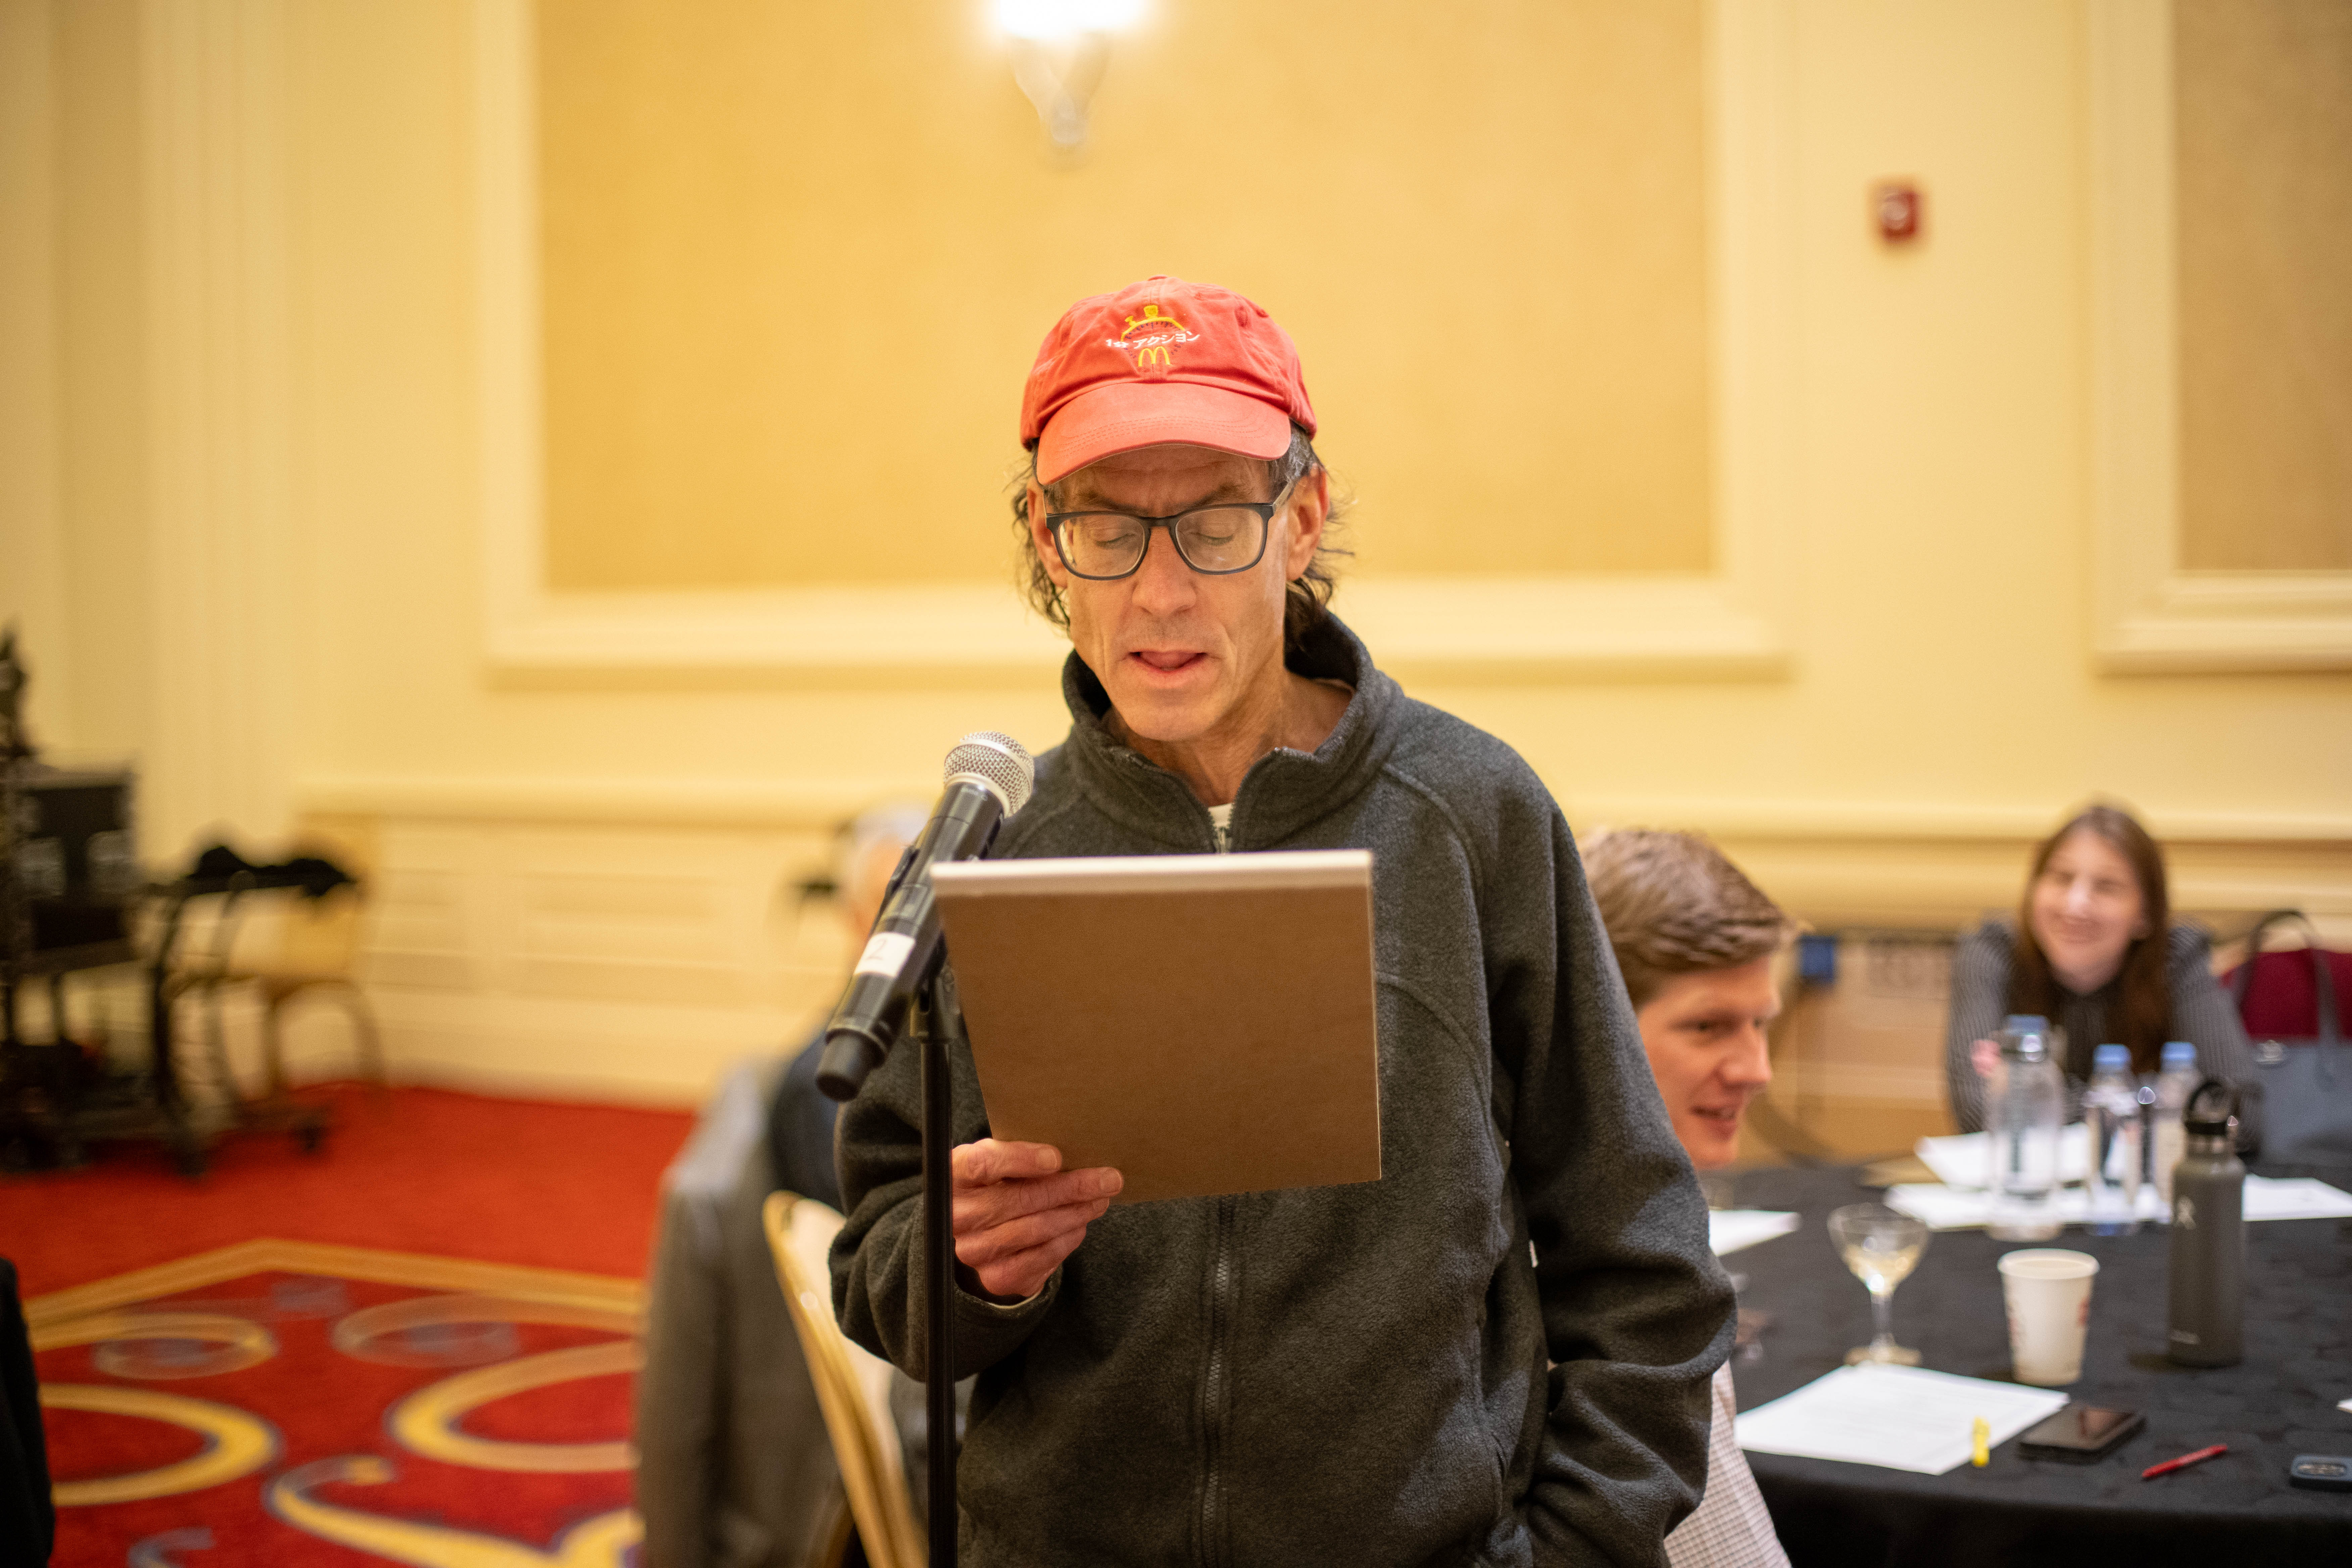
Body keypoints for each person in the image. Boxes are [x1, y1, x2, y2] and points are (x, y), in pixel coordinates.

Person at [830, 276, 1733, 1566]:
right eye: (1105, 528)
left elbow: (1640, 1253)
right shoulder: (993, 844)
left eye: (1212, 524)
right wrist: (973, 1269)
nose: (1158, 592)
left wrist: (1577, 1542)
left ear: (1299, 521)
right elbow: (879, 1266)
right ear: (1045, 536)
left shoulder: (1469, 812)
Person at [1583, 829, 1794, 1568]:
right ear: (1589, 1025)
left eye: (1760, 1023)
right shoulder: (1614, 1260)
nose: (1756, 1069)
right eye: (1708, 1026)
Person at [1943, 803, 2255, 1134]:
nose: (2075, 905)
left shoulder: (2178, 959)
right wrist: (2159, 1101)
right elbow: (1976, 1111)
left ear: (2146, 915)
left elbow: (2238, 1114)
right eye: (2062, 878)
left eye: (2106, 887)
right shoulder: (1992, 953)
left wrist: (2030, 1097)